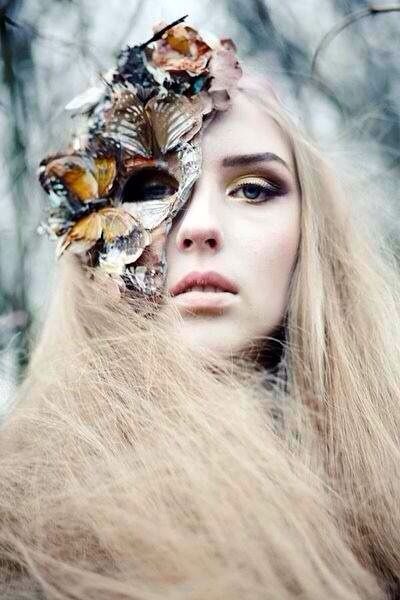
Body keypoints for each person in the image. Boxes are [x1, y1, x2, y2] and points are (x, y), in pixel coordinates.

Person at [0, 18, 399, 600]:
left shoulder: (385, 497)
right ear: (89, 242)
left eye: (254, 189)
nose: (202, 227)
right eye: (151, 189)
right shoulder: (22, 529)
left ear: (311, 236)